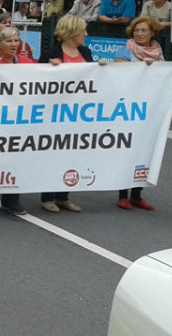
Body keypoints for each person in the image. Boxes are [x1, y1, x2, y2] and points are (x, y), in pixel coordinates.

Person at [38, 15, 105, 213]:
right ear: (71, 32)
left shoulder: (85, 51)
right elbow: (37, 82)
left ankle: (63, 195)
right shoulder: (51, 53)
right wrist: (50, 69)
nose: (86, 34)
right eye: (82, 30)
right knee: (53, 155)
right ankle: (47, 196)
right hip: (56, 114)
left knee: (73, 155)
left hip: (80, 114)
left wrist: (99, 69)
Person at [0, 26, 32, 216]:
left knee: (16, 159)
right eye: (9, 41)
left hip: (19, 120)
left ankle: (12, 201)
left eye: (16, 41)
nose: (13, 44)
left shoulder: (28, 63)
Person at [113, 16, 162, 210]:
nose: (139, 34)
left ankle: (137, 194)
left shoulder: (158, 52)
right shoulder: (126, 49)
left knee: (145, 151)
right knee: (126, 150)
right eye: (136, 30)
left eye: (143, 30)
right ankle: (122, 193)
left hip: (150, 109)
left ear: (152, 33)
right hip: (129, 109)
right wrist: (144, 68)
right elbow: (119, 72)